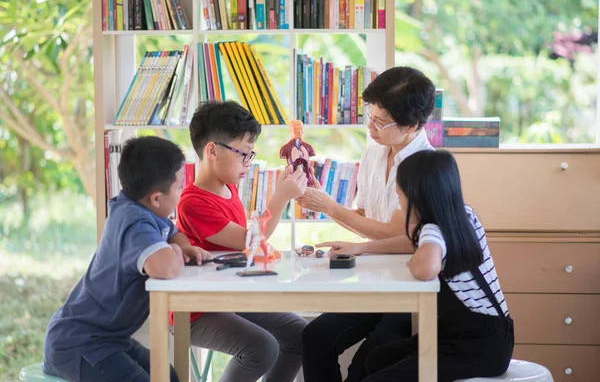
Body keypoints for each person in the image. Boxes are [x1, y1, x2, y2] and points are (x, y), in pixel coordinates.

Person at [300, 66, 436, 382]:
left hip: (409, 289)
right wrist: (324, 203)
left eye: (380, 122)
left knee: (367, 365)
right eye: (369, 116)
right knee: (315, 337)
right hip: (373, 279)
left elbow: (401, 237)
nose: (370, 127)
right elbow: (366, 218)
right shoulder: (374, 152)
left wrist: (331, 208)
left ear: (411, 125)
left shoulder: (425, 167)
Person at [43, 136, 204, 382]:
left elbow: (174, 233)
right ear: (156, 198)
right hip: (80, 344)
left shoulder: (145, 210)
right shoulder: (133, 222)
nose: (182, 192)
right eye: (179, 187)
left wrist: (184, 246)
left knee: (168, 377)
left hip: (110, 339)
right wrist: (174, 253)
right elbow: (165, 267)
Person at [175, 101, 308, 382]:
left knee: (299, 334)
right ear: (212, 150)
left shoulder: (229, 187)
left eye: (251, 155)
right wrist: (281, 196)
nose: (248, 163)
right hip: (197, 308)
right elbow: (251, 240)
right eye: (243, 155)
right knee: (262, 347)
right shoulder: (192, 203)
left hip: (230, 295)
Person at [362, 150, 514, 382]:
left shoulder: (434, 229)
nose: (400, 206)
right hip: (489, 335)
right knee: (379, 358)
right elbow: (415, 244)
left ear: (418, 198)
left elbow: (426, 268)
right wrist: (360, 248)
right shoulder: (462, 214)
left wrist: (415, 261)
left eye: (401, 197)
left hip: (476, 345)